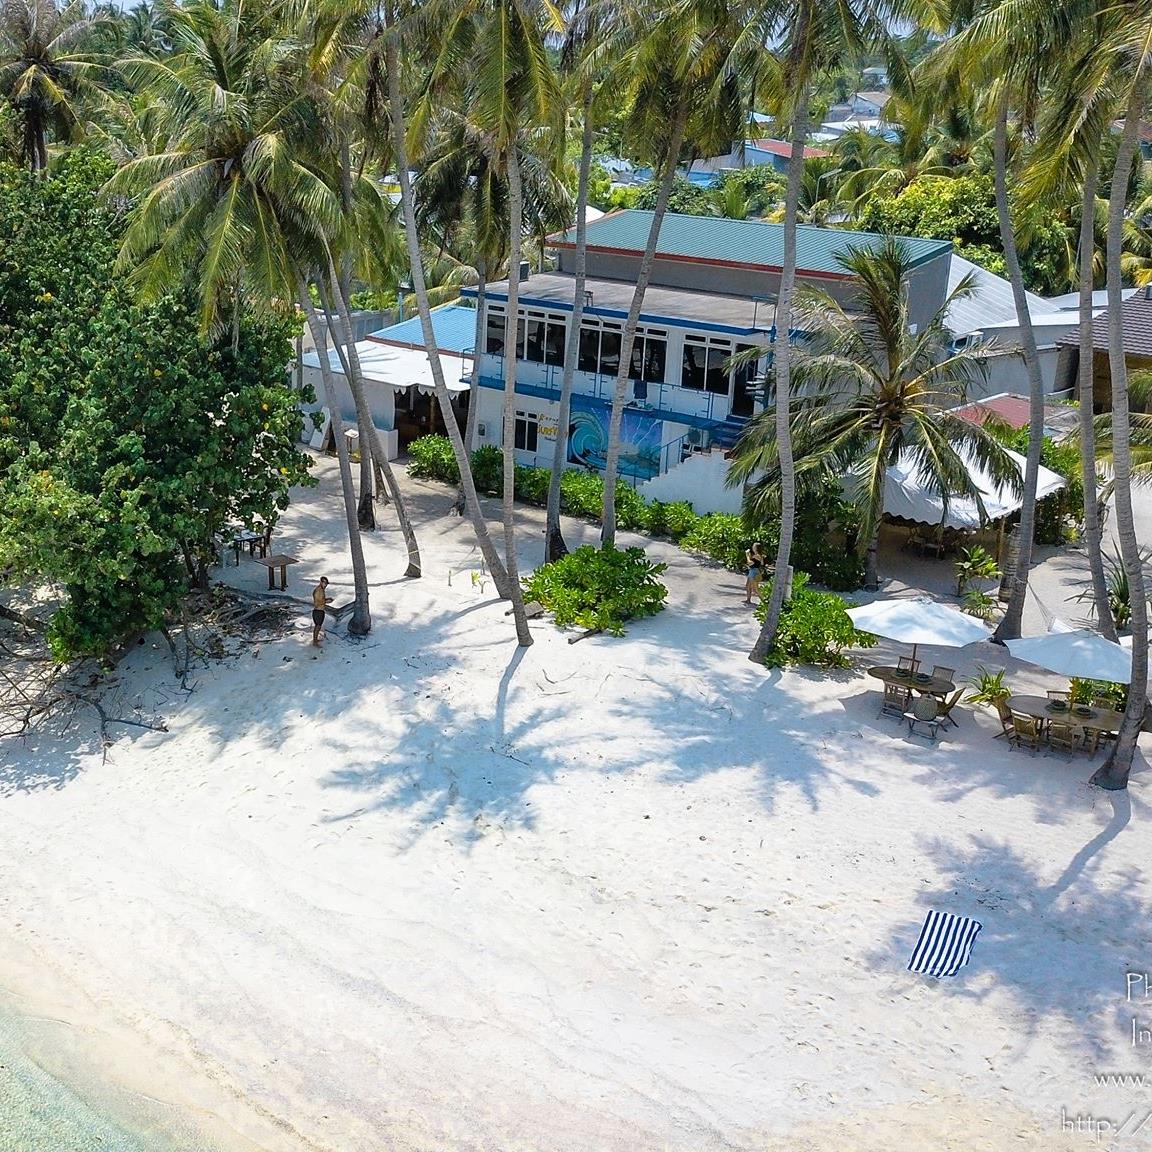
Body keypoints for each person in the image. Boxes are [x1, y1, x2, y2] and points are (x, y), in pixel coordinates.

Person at [311, 577, 332, 645]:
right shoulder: (319, 590)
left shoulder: (321, 590)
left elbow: (320, 599)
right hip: (318, 611)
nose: (325, 585)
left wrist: (326, 599)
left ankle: (315, 639)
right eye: (324, 583)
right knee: (318, 626)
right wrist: (326, 601)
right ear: (321, 582)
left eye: (326, 583)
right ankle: (315, 642)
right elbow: (318, 602)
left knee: (318, 626)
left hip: (319, 610)